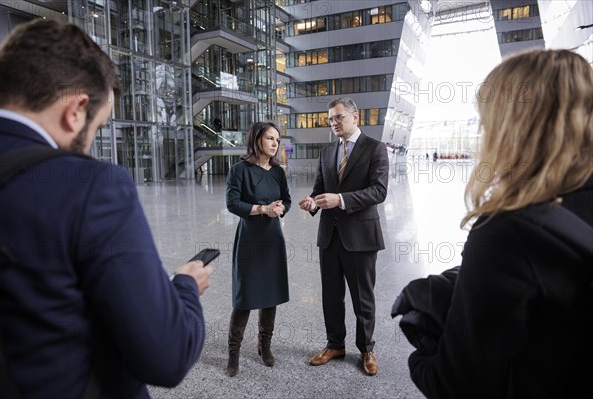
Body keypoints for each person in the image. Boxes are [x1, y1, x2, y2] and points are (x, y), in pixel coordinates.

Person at [0, 20, 213, 398]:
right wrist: (186, 288)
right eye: (98, 127)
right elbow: (167, 355)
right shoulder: (91, 187)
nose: (90, 143)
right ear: (76, 110)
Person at [400, 49, 593, 398]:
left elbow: (456, 384)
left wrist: (422, 350)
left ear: (512, 127)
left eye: (487, 121)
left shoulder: (508, 230)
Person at [299, 97, 389, 376]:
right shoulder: (327, 152)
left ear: (355, 117)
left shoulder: (375, 148)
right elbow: (318, 188)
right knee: (331, 295)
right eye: (330, 119)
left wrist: (340, 199)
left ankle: (366, 348)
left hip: (361, 236)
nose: (333, 123)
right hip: (329, 236)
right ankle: (335, 344)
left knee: (363, 297)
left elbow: (379, 191)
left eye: (338, 117)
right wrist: (313, 203)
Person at [225, 122, 291, 377]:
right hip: (250, 239)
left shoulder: (278, 172)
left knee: (270, 295)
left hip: (273, 239)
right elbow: (232, 203)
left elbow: (286, 199)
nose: (275, 143)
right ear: (257, 140)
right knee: (245, 298)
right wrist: (262, 209)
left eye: (278, 139)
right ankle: (233, 354)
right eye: (270, 138)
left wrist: (281, 208)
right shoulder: (239, 170)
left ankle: (264, 347)